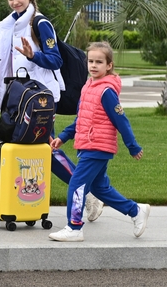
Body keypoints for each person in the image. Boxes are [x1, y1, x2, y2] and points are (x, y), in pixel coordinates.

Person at [0, 0, 105, 222]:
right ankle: (3, 202)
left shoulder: (40, 23)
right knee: (10, 145)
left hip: (40, 99)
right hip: (18, 97)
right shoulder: (12, 24)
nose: (14, 2)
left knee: (47, 150)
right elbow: (12, 60)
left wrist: (34, 56)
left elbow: (55, 60)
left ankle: (90, 195)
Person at [48, 42, 148, 242]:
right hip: (87, 145)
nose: (93, 65)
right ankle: (136, 210)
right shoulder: (88, 86)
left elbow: (121, 120)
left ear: (109, 65)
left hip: (97, 147)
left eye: (99, 62)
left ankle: (74, 227)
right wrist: (63, 136)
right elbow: (81, 119)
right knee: (100, 188)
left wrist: (133, 146)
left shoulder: (106, 92)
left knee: (76, 184)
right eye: (91, 61)